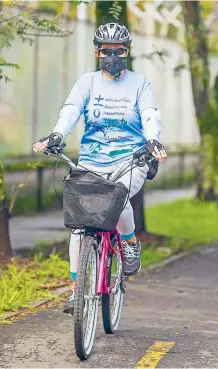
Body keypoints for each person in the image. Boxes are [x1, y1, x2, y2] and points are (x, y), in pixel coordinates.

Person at [32, 22, 167, 314]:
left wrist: (153, 140)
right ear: (97, 52)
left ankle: (130, 243)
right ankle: (75, 289)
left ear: (127, 51)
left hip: (130, 159)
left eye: (119, 51)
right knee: (79, 226)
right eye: (107, 51)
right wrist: (57, 135)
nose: (113, 56)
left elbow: (149, 113)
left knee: (118, 198)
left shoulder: (140, 83)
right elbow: (70, 110)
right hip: (91, 161)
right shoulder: (87, 82)